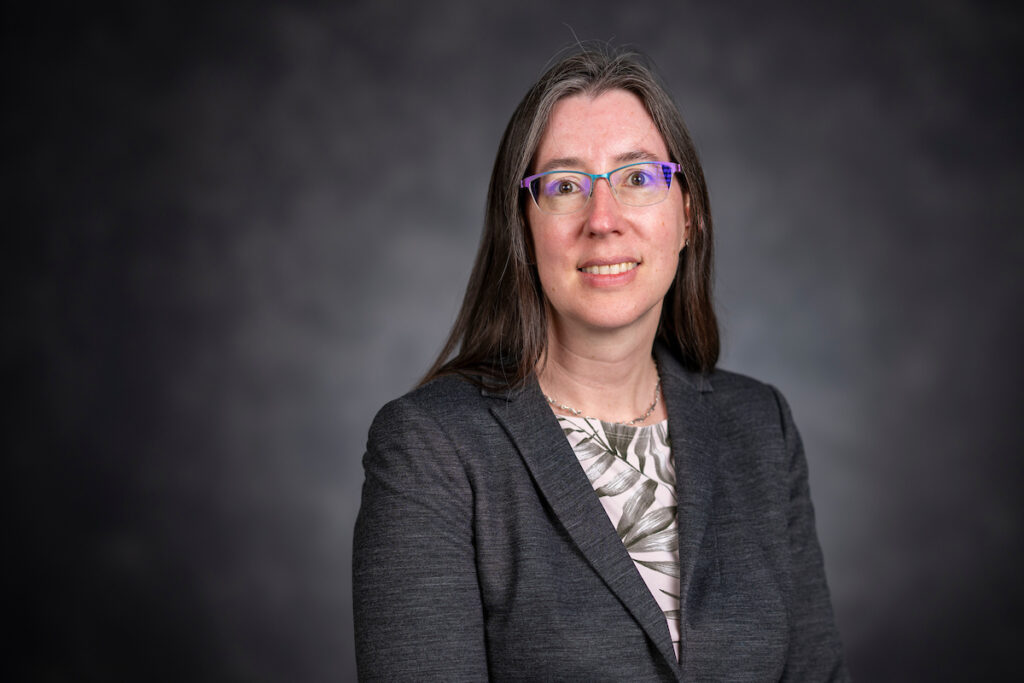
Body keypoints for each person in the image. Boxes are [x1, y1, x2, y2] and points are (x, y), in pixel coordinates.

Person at [353, 45, 849, 681]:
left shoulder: (762, 426)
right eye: (564, 187)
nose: (603, 220)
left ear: (688, 215)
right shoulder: (430, 449)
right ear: (523, 230)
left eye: (638, 178)